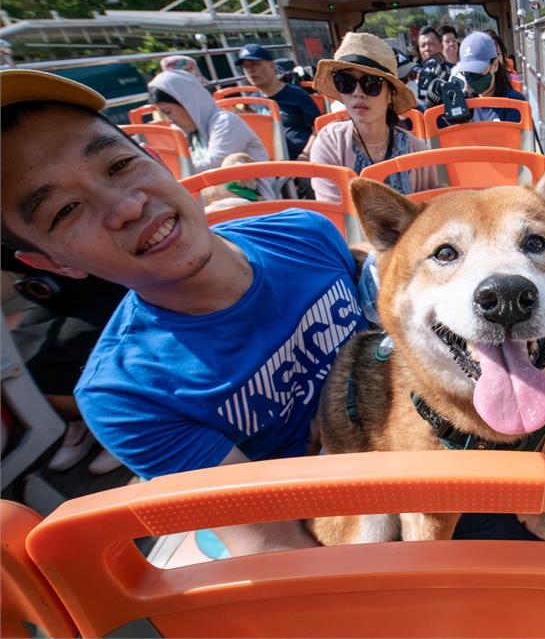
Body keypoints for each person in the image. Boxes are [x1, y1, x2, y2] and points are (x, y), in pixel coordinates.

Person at [1, 69, 369, 555]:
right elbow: (274, 542)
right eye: (66, 211)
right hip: (350, 528)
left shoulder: (304, 232)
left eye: (117, 166)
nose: (126, 206)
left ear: (155, 158)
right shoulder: (129, 393)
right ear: (50, 263)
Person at [4, 247, 126, 474]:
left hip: (105, 278)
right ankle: (81, 420)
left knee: (64, 349)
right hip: (53, 285)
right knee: (18, 354)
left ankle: (120, 420)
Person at [310, 33, 438, 198]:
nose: (358, 93)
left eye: (371, 84)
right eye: (346, 81)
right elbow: (333, 215)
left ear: (390, 94)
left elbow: (426, 214)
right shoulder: (329, 143)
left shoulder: (417, 150)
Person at [147, 69, 275, 197]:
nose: (170, 120)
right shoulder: (193, 133)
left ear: (188, 104)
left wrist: (169, 169)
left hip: (252, 199)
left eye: (168, 112)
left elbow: (213, 167)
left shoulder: (225, 122)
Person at [236, 43, 321, 162]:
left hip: (301, 160)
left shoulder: (297, 95)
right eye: (245, 67)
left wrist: (305, 155)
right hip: (269, 162)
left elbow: (318, 128)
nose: (250, 70)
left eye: (255, 64)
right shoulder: (252, 102)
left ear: (271, 66)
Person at [451, 31, 527, 123]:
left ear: (494, 65)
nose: (472, 77)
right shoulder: (463, 105)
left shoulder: (514, 103)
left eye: (478, 69)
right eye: (467, 72)